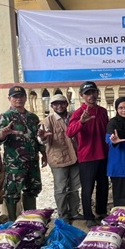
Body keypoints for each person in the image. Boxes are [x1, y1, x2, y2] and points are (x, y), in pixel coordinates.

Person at [0, 85, 44, 219]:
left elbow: (37, 137)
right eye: (15, 97)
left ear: (25, 98)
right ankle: (12, 221)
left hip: (32, 161)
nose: (19, 99)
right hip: (15, 163)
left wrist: (44, 153)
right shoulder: (5, 117)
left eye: (21, 96)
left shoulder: (33, 117)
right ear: (9, 99)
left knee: (32, 189)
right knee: (12, 192)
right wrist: (3, 134)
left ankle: (30, 220)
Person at [66, 81, 109, 227]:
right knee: (87, 188)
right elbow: (69, 132)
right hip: (87, 157)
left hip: (103, 155)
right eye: (87, 93)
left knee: (103, 185)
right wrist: (82, 122)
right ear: (81, 96)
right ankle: (88, 216)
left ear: (97, 93)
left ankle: (101, 212)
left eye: (93, 92)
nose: (91, 96)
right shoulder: (78, 113)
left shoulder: (103, 111)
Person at [39, 93, 83, 222]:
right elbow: (42, 139)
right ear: (52, 106)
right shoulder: (48, 121)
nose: (59, 106)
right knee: (61, 188)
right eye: (56, 104)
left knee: (75, 187)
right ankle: (63, 215)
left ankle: (74, 212)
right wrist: (43, 137)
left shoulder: (73, 117)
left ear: (67, 104)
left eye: (62, 103)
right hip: (58, 159)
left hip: (75, 157)